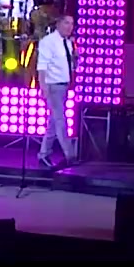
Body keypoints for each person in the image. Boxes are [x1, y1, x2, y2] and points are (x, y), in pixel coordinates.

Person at [36, 15, 77, 168]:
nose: (69, 26)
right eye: (66, 23)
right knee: (60, 121)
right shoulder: (48, 42)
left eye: (71, 24)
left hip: (64, 86)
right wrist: (43, 87)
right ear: (58, 24)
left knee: (53, 122)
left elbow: (70, 65)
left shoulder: (68, 43)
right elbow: (42, 66)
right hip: (53, 86)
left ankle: (43, 154)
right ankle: (70, 155)